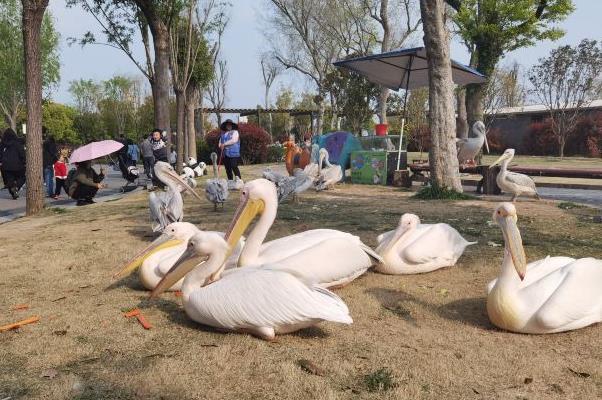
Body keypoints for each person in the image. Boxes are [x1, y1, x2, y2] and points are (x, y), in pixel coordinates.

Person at [0, 128, 26, 199]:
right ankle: (17, 186)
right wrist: (24, 161)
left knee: (9, 180)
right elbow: (22, 153)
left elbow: (0, 154)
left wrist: (1, 161)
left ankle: (13, 193)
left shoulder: (2, 144)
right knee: (22, 177)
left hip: (6, 166)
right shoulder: (17, 143)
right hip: (18, 165)